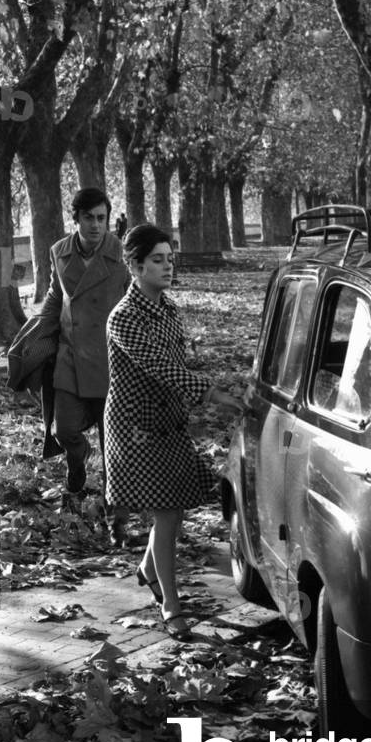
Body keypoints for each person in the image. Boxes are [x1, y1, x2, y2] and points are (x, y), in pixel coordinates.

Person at [104, 224, 240, 642]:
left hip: (169, 424)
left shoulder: (168, 308)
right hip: (136, 429)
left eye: (170, 258)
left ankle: (148, 570)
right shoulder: (123, 317)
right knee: (166, 514)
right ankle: (170, 603)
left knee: (176, 508)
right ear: (135, 265)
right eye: (158, 260)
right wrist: (212, 393)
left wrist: (215, 388)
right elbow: (159, 368)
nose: (168, 266)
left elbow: (176, 366)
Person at [37, 187, 130, 515]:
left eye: (101, 218)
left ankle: (113, 509)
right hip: (71, 358)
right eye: (88, 218)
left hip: (111, 361)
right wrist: (36, 336)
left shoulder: (121, 253)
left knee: (112, 445)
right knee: (64, 430)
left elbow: (135, 298)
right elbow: (54, 297)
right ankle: (77, 465)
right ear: (75, 219)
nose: (95, 225)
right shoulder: (59, 252)